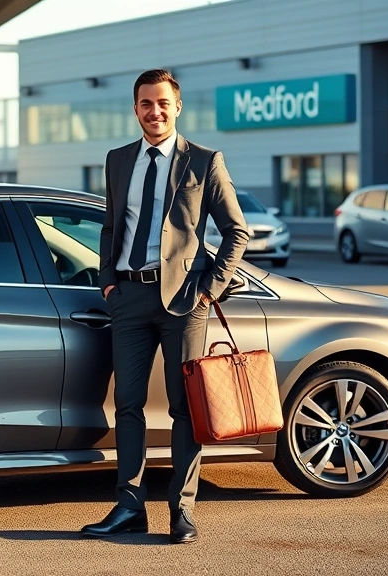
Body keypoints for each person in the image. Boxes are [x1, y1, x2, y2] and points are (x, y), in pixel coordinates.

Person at [80, 69, 249, 544]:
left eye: (162, 103)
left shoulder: (204, 161)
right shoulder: (117, 161)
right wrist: (108, 282)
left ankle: (182, 510)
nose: (154, 112)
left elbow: (238, 233)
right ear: (135, 109)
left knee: (184, 408)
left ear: (177, 107)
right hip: (129, 298)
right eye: (145, 104)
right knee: (128, 405)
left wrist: (210, 289)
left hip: (184, 301)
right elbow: (111, 228)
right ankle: (129, 507)